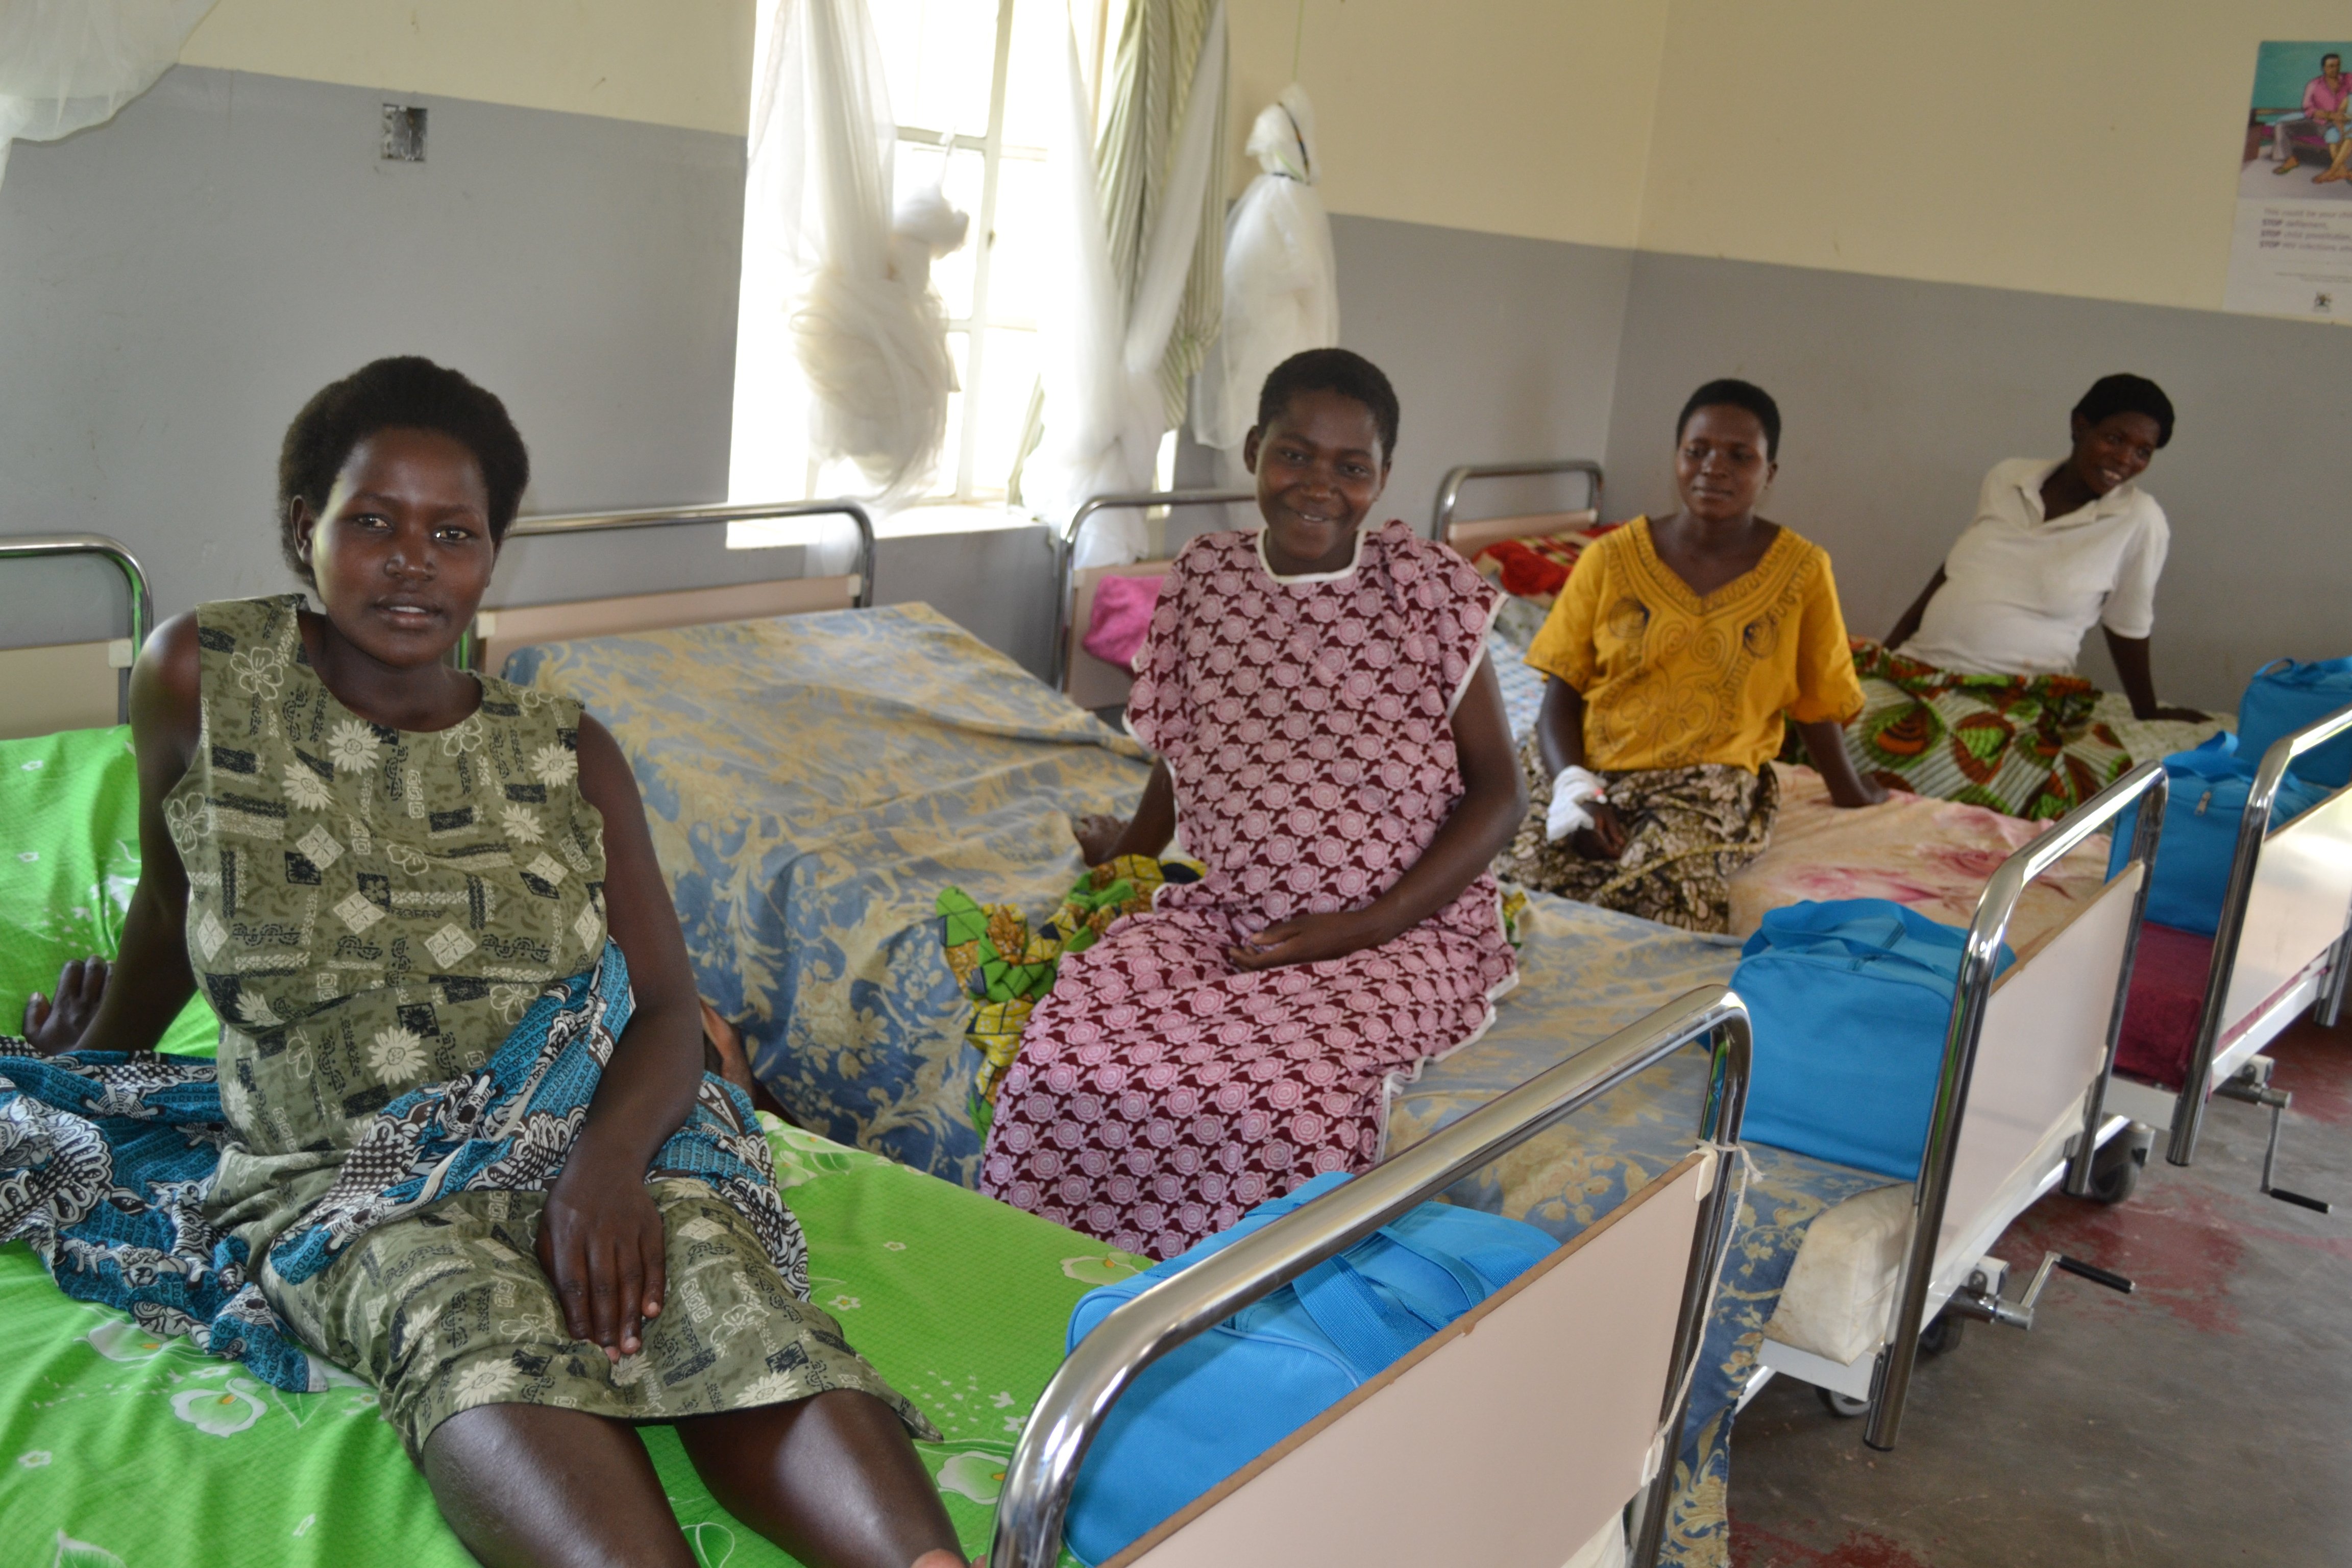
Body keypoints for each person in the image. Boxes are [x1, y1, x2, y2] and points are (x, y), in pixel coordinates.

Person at [13, 358, 969, 1568]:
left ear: (490, 553)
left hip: (591, 1115)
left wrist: (606, 1167)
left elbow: (671, 1007)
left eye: (452, 531)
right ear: (305, 527)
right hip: (345, 1169)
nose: (412, 559)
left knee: (728, 1295)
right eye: (372, 521)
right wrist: (94, 1065)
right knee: (454, 1313)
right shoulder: (202, 675)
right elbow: (173, 886)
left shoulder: (568, 749)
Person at [982, 349, 1525, 1261]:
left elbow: (1499, 794)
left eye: (1351, 468)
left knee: (1285, 1098)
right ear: (1251, 449)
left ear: (1383, 478)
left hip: (1399, 928)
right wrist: (1135, 854)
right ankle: (1069, 1285)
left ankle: (1232, 1314)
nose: (1318, 486)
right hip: (1228, 914)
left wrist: (1361, 925)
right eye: (1295, 455)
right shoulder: (1204, 580)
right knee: (1064, 1043)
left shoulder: (1424, 592)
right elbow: (1186, 744)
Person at [1497, 379, 1882, 933]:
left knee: (1665, 896)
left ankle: (1652, 1021)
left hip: (1703, 787)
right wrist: (1576, 792)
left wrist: (1851, 791)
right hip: (1580, 763)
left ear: (1769, 473)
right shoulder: (1610, 559)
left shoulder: (1802, 573)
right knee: (1510, 884)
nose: (1713, 467)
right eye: (1696, 451)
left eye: (1739, 456)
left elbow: (1817, 698)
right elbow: (1561, 694)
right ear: (1676, 458)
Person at [2273, 52, 2351, 183]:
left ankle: (2338, 170)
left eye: (2338, 65)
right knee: (2281, 127)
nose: (2335, 69)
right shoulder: (2314, 85)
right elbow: (2308, 109)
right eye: (2331, 66)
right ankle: (2290, 160)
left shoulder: (2347, 78)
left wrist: (2343, 114)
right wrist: (2328, 115)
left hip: (2340, 123)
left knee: (2342, 133)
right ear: (2324, 68)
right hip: (2318, 123)